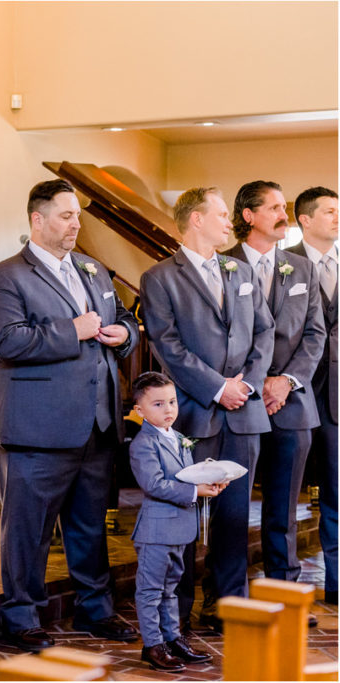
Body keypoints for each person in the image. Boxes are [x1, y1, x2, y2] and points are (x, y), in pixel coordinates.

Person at [0, 179, 139, 651]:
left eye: (77, 216)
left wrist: (123, 335)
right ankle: (21, 617)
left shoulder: (93, 269)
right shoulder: (6, 276)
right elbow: (8, 341)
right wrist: (73, 329)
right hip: (36, 426)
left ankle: (96, 610)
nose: (76, 224)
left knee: (90, 526)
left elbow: (126, 319)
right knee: (28, 529)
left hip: (96, 422)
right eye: (67, 215)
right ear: (37, 219)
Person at [140, 187, 274, 632]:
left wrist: (246, 387)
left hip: (244, 411)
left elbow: (264, 332)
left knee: (234, 516)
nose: (228, 222)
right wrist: (217, 389)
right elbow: (167, 344)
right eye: (220, 214)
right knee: (184, 518)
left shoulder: (238, 269)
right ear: (196, 219)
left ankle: (226, 605)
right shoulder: (160, 277)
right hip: (196, 412)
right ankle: (174, 614)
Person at [222, 181, 326, 589]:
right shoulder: (221, 263)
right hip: (239, 402)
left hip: (292, 401)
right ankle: (227, 594)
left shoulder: (302, 268)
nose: (285, 215)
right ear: (248, 215)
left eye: (285, 207)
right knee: (231, 505)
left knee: (284, 506)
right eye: (275, 208)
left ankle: (282, 588)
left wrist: (285, 381)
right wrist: (253, 383)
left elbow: (316, 334)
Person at [128, 372, 218, 672]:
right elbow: (154, 484)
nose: (168, 410)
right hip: (156, 530)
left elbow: (188, 476)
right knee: (151, 589)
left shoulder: (179, 438)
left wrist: (210, 481)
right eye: (158, 404)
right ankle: (152, 644)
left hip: (180, 528)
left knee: (171, 588)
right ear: (139, 410)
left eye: (172, 402)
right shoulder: (143, 443)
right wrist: (195, 490)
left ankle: (173, 638)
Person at [287, 186, 338, 604]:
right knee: (284, 495)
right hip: (293, 393)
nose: (337, 218)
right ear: (304, 220)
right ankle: (282, 586)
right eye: (329, 211)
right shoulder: (284, 264)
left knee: (338, 493)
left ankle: (337, 584)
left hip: (338, 395)